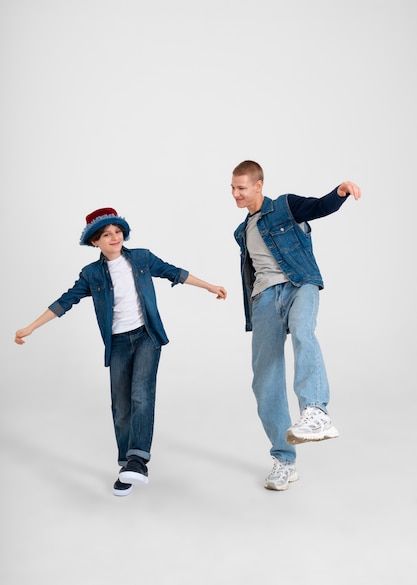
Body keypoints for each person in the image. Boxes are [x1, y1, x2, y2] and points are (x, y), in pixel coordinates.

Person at [15, 207, 227, 497]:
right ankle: (127, 466)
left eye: (117, 231)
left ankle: (138, 461)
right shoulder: (91, 274)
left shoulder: (141, 257)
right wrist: (31, 327)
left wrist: (209, 286)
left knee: (141, 393)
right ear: (95, 242)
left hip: (146, 336)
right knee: (120, 406)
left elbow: (173, 272)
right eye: (106, 234)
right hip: (117, 344)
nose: (114, 237)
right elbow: (66, 301)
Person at [231, 161, 361, 491]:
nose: (235, 194)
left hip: (299, 283)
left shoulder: (286, 206)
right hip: (264, 300)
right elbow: (251, 274)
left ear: (259, 185)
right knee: (265, 382)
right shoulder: (241, 231)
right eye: (232, 188)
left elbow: (319, 206)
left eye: (241, 188)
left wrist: (340, 193)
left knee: (303, 329)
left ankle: (315, 410)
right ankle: (284, 460)